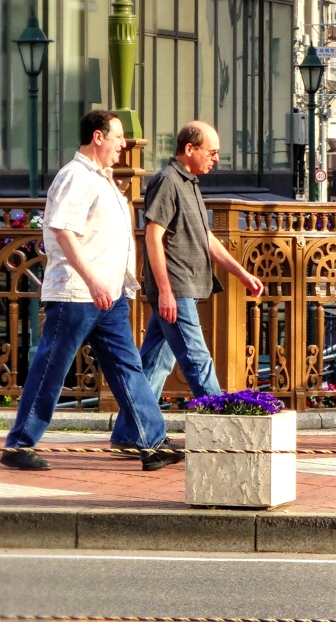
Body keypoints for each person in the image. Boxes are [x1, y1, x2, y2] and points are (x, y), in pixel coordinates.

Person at [1, 110, 183, 472]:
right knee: (52, 365)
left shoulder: (101, 179)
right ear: (98, 137)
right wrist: (92, 279)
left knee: (127, 366)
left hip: (108, 294)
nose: (123, 145)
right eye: (117, 137)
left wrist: (111, 285)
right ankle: (19, 445)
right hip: (77, 293)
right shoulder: (75, 177)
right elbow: (64, 232)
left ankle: (152, 441)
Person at [109, 122, 264, 452]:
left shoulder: (189, 183)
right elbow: (153, 236)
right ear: (189, 149)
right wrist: (164, 291)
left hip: (183, 288)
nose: (216, 159)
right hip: (176, 289)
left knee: (153, 364)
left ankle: (128, 434)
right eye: (211, 152)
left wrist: (240, 273)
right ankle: (224, 429)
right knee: (198, 360)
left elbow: (206, 237)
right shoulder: (167, 182)